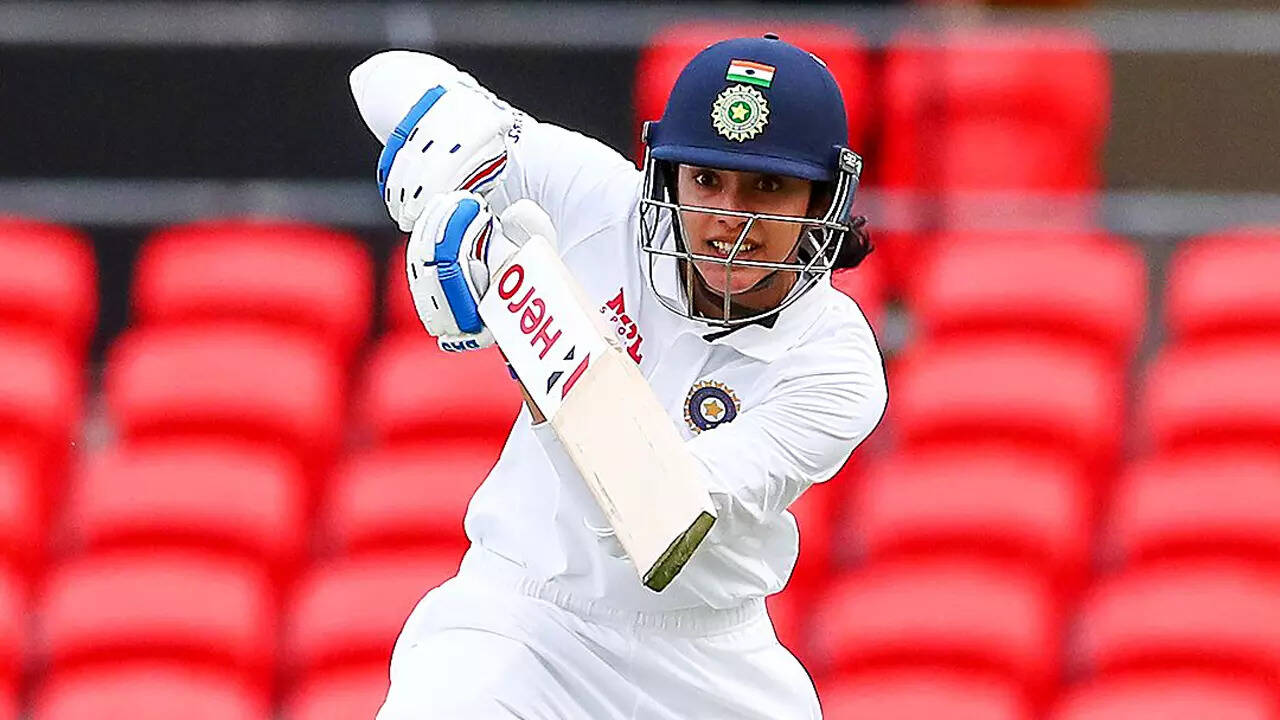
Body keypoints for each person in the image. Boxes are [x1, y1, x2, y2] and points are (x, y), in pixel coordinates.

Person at [350, 34, 887, 719]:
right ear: (667, 176)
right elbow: (382, 78)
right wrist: (448, 163)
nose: (730, 217)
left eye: (769, 186)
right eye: (706, 180)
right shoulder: (602, 202)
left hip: (706, 659)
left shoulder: (836, 362)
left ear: (822, 200)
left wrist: (525, 306)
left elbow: (659, 513)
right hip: (523, 620)